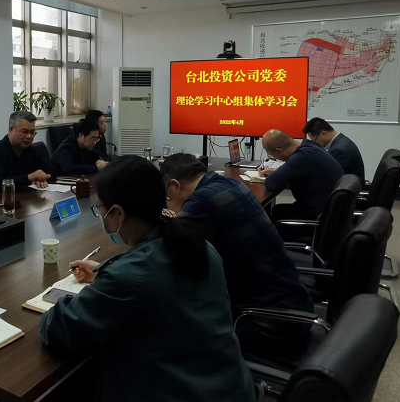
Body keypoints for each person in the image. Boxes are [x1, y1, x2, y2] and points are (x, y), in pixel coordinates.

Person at [39, 157, 255, 402]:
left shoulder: (131, 276)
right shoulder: (198, 245)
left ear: (119, 213)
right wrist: (106, 270)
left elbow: (60, 329)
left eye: (100, 208)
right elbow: (160, 286)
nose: (100, 215)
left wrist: (108, 280)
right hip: (230, 387)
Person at [161, 153, 313, 354]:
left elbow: (165, 248)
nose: (168, 202)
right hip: (293, 305)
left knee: (171, 328)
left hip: (267, 322)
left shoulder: (201, 201)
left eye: (166, 197)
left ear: (174, 186)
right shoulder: (229, 184)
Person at [259, 129, 344, 221]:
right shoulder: (310, 145)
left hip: (320, 215)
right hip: (332, 209)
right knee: (278, 209)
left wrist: (275, 174)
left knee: (276, 214)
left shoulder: (301, 157)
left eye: (271, 155)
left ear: (278, 150)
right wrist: (275, 171)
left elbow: (271, 183)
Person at [0, 111, 52, 192]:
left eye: (32, 132)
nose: (29, 136)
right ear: (11, 130)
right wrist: (29, 178)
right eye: (24, 132)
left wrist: (41, 179)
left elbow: (49, 172)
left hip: (24, 195)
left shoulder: (31, 150)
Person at [303, 117, 365, 185]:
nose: (315, 143)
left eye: (314, 140)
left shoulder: (339, 151)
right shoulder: (341, 142)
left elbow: (330, 177)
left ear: (324, 133)